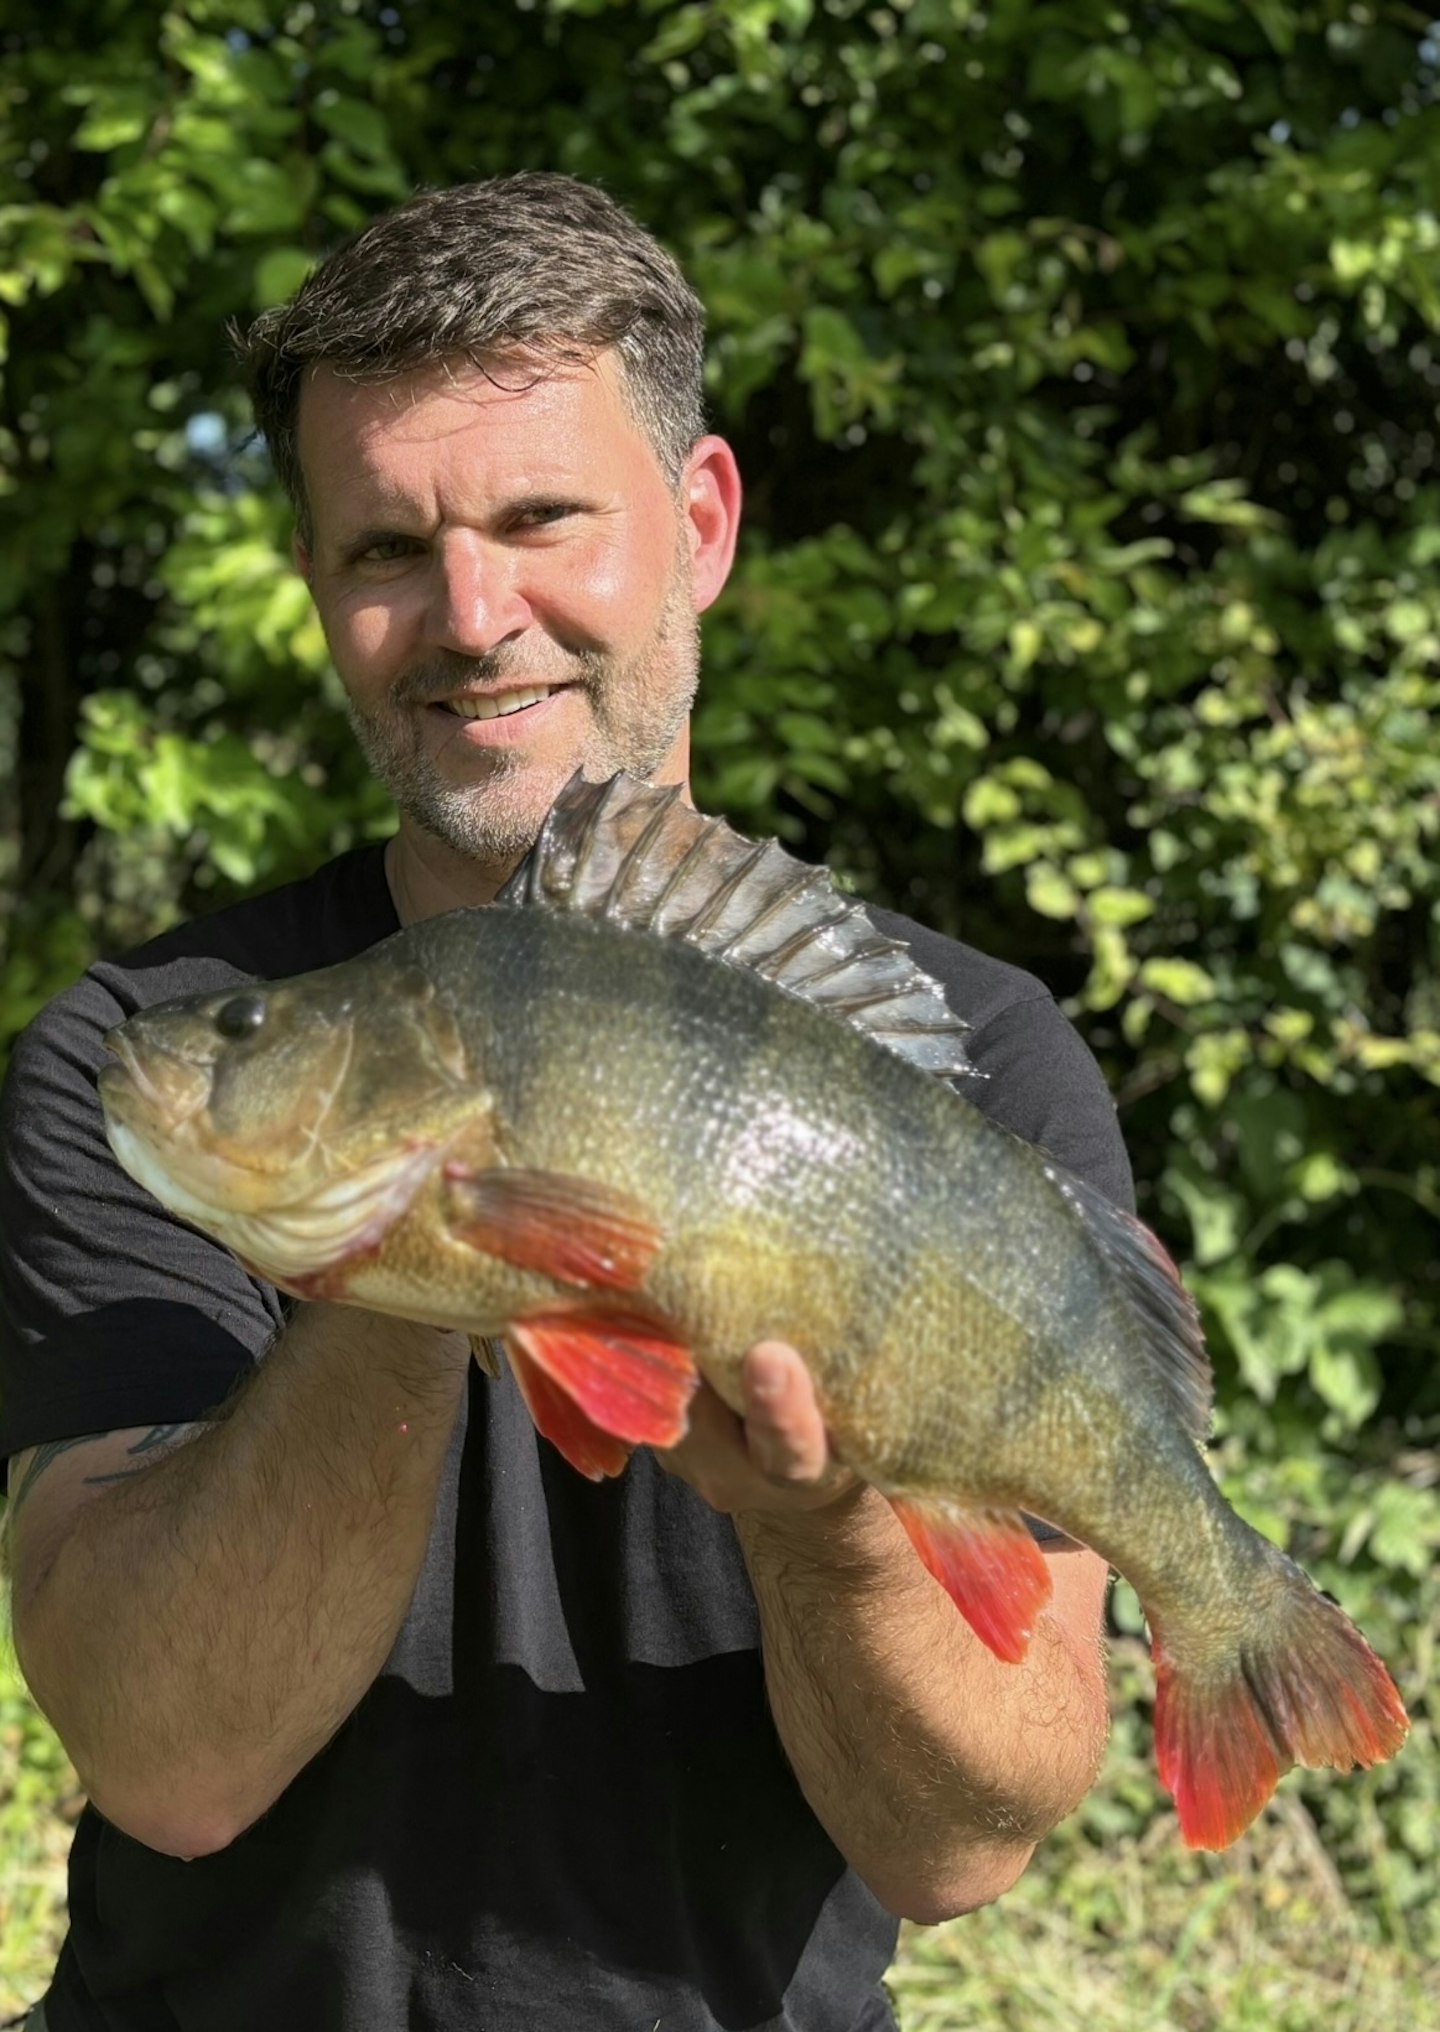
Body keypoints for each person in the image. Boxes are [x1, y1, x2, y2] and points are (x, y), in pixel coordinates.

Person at [0, 174, 1130, 2032]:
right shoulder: (161, 1050)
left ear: (698, 526)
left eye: (541, 519)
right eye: (382, 551)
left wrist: (827, 1519)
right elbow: (168, 1757)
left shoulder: (967, 1060)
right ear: (318, 586)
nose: (467, 615)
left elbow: (964, 1845)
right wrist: (418, 1237)